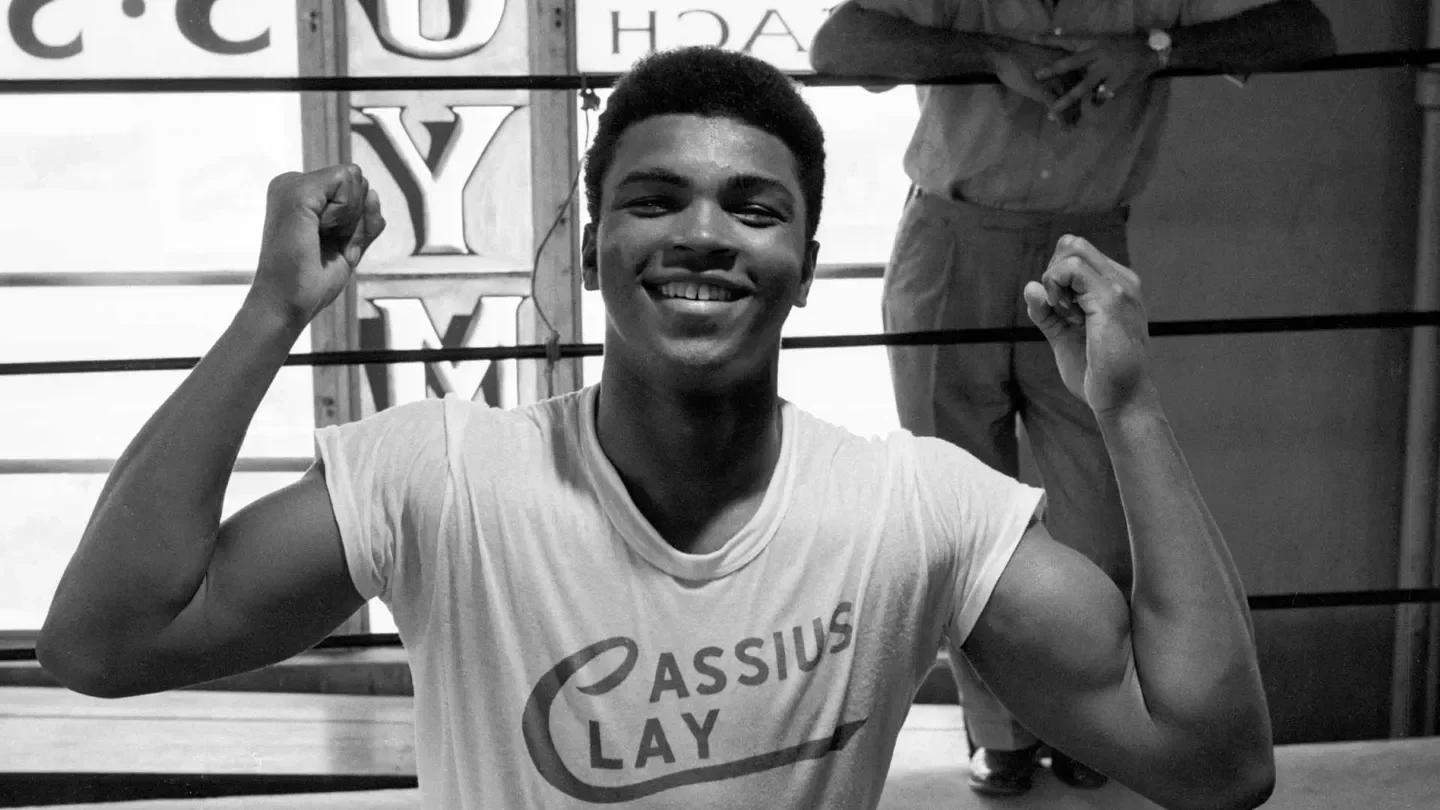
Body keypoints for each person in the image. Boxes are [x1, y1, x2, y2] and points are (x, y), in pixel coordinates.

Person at [38, 46, 1272, 810]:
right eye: (652, 199)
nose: (701, 234)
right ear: (591, 250)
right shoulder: (447, 477)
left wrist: (1131, 412)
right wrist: (271, 315)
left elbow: (1215, 765)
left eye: (752, 208)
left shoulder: (914, 510)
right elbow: (104, 641)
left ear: (803, 265)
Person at [809, 0, 1333, 796]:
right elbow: (838, 45)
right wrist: (990, 54)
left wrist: (1155, 49)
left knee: (1101, 507)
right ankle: (999, 738)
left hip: (1088, 243)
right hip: (951, 236)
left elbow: (1307, 30)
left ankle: (1096, 724)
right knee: (959, 505)